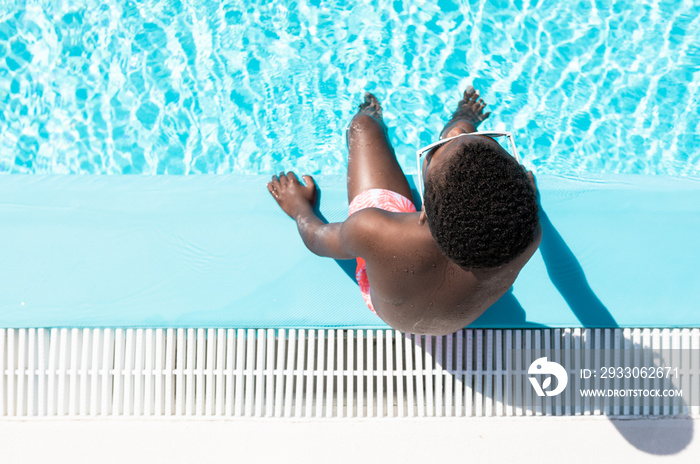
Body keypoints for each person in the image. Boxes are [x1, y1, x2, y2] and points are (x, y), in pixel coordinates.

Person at [267, 86, 541, 335]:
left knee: (362, 127)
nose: (459, 136)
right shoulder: (526, 232)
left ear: (423, 212)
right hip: (461, 314)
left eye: (433, 153)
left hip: (395, 315)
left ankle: (372, 113)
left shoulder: (376, 231)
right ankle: (461, 120)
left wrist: (300, 209)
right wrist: (521, 193)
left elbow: (317, 239)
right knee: (459, 146)